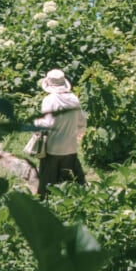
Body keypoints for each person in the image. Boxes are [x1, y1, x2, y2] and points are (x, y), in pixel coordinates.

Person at [34, 69, 87, 200]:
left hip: (53, 147)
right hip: (70, 146)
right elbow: (82, 122)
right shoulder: (74, 99)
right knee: (69, 183)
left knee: (47, 185)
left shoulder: (49, 100)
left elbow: (46, 125)